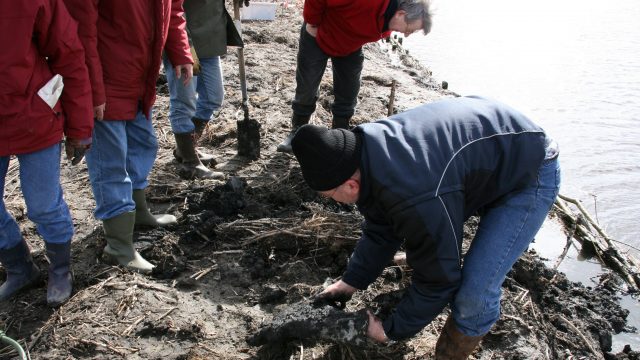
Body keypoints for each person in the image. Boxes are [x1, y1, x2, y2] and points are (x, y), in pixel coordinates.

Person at [291, 96, 561, 358]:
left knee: (474, 290)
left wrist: (391, 331)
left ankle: (451, 355)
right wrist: (352, 281)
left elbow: (440, 280)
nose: (331, 200)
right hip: (487, 150)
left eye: (329, 195)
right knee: (433, 239)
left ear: (350, 185)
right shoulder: (364, 155)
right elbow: (381, 227)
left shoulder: (416, 194)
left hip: (531, 166)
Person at [63, 0, 194, 273]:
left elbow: (173, 11)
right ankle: (119, 244)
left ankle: (138, 212)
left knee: (143, 145)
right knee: (111, 163)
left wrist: (180, 51)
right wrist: (94, 92)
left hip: (139, 78)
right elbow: (82, 34)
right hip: (107, 81)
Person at [0, 0, 93, 306]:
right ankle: (19, 268)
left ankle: (61, 269)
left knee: (42, 204)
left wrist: (80, 126)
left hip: (33, 116)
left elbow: (69, 55)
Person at [277, 0, 432, 153]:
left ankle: (339, 136)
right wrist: (313, 21)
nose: (406, 35)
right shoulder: (368, 3)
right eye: (409, 30)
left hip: (350, 45)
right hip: (318, 33)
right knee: (307, 86)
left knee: (349, 91)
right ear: (400, 14)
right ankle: (297, 132)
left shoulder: (387, 24)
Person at [163, 0, 244, 179]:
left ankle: (185, 149)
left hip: (210, 35)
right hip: (182, 36)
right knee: (184, 102)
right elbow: (171, 8)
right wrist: (182, 46)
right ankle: (190, 162)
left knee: (213, 97)